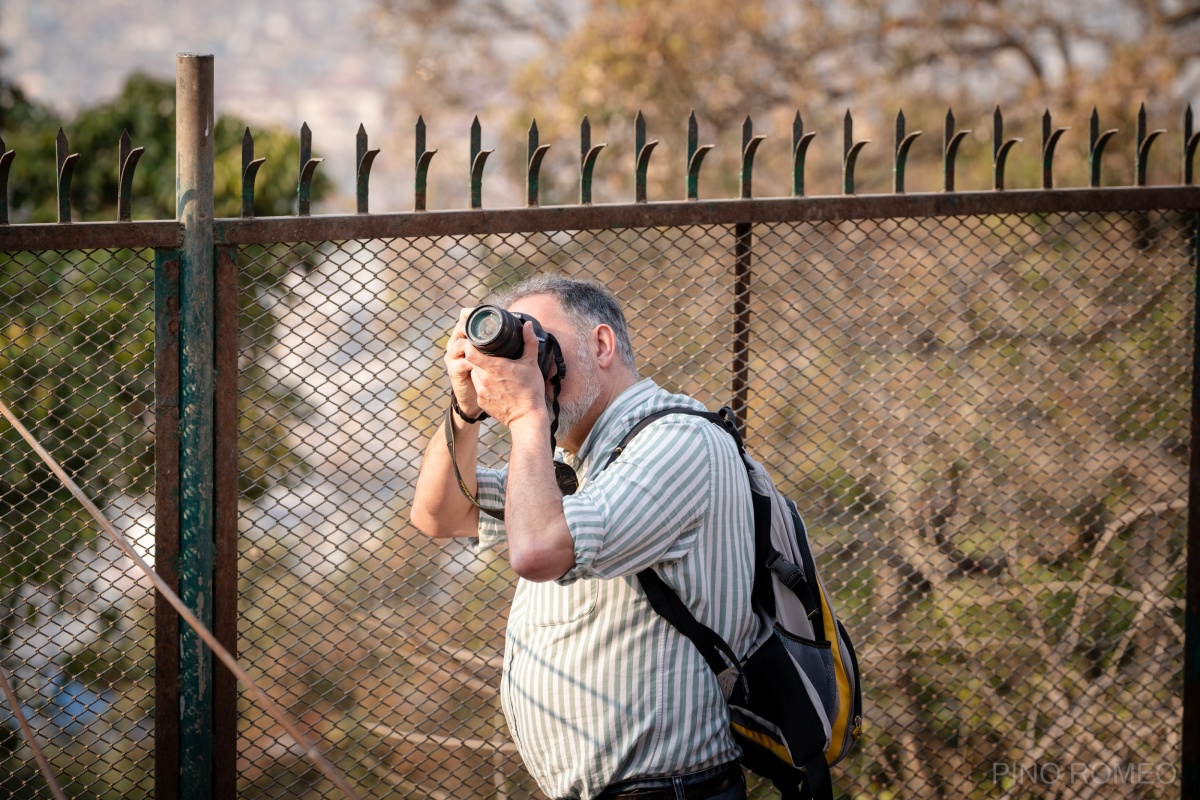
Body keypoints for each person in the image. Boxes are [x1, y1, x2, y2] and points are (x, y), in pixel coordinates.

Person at [410, 275, 764, 800]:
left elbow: (536, 552)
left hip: (672, 791)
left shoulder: (680, 441)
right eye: (518, 351)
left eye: (540, 347)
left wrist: (528, 412)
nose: (528, 367)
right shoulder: (571, 464)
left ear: (601, 345)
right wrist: (466, 410)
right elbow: (440, 514)